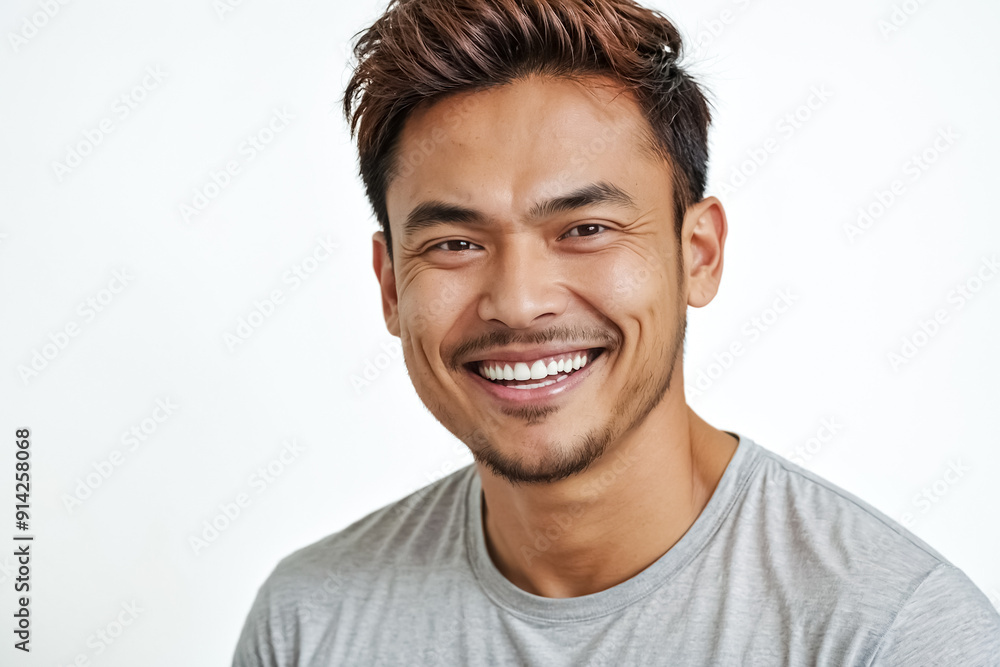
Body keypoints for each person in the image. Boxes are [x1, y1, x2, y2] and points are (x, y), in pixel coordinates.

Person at [233, 0, 1000, 664]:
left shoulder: (891, 635)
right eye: (455, 243)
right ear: (391, 284)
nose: (520, 302)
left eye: (586, 227)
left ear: (697, 254)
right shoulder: (309, 625)